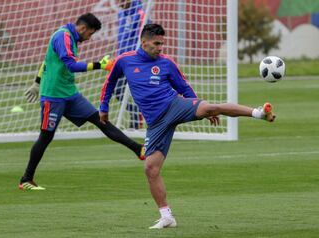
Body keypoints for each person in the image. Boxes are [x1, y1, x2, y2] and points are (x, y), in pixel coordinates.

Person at [99, 23, 276, 229]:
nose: (160, 48)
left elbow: (183, 87)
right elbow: (110, 83)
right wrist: (103, 107)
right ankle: (167, 217)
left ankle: (258, 113)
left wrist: (202, 108)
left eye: (162, 44)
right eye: (156, 44)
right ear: (144, 41)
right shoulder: (125, 61)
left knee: (213, 107)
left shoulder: (166, 63)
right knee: (150, 168)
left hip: (174, 105)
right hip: (155, 123)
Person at [20, 13, 145, 191]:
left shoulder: (70, 37)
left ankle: (138, 149)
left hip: (70, 94)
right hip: (53, 96)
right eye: (91, 34)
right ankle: (26, 179)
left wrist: (36, 82)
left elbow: (47, 60)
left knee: (100, 120)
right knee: (46, 136)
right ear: (83, 28)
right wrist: (100, 65)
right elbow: (71, 65)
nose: (90, 38)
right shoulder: (62, 36)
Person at [113, 0, 146, 129]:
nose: (120, 3)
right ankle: (136, 114)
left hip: (135, 60)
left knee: (140, 91)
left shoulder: (140, 13)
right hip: (122, 60)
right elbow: (121, 39)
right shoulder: (121, 14)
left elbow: (146, 37)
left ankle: (138, 119)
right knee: (118, 90)